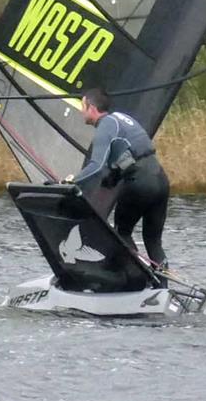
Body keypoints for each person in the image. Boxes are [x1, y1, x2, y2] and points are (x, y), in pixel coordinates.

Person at [65, 87, 170, 271]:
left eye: (83, 107)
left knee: (122, 233)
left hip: (140, 183)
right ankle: (162, 289)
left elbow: (96, 165)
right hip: (160, 180)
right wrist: (112, 177)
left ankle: (140, 279)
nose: (81, 112)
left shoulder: (105, 126)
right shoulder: (121, 118)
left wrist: (72, 182)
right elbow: (129, 155)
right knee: (153, 240)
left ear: (92, 108)